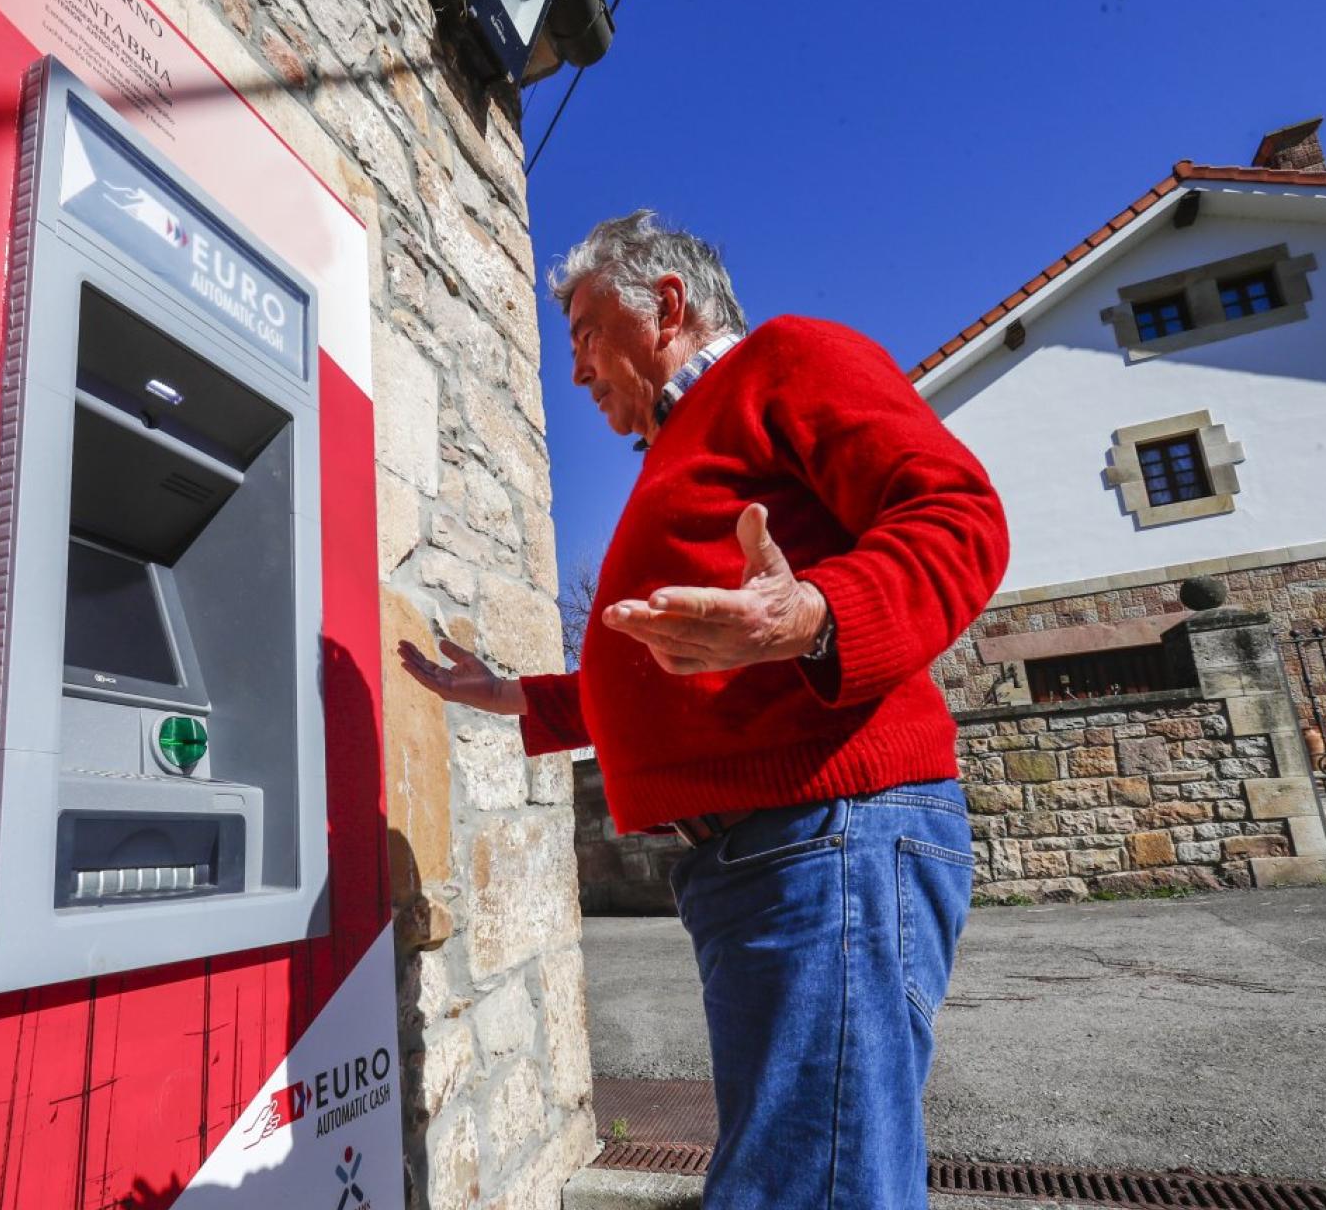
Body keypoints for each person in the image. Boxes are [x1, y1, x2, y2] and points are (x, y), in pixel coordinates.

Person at [398, 210, 1008, 1210]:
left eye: (588, 334)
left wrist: (811, 613)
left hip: (829, 831)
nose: (579, 370)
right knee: (812, 1171)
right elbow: (673, 668)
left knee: (803, 1184)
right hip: (772, 855)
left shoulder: (786, 359)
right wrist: (514, 696)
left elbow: (959, 515)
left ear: (666, 306)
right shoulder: (679, 445)